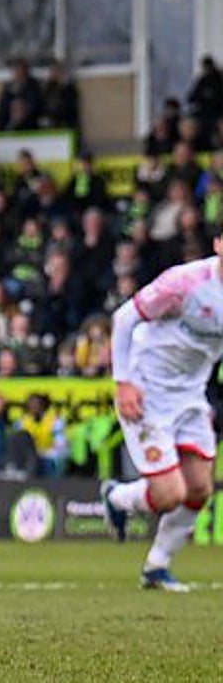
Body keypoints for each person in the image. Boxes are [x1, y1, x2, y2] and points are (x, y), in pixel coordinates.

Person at [101, 239, 223, 592]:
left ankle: (156, 567)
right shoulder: (185, 283)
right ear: (217, 244)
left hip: (190, 396)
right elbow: (124, 317)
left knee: (199, 489)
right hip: (147, 391)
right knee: (170, 494)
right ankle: (115, 497)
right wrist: (122, 383)